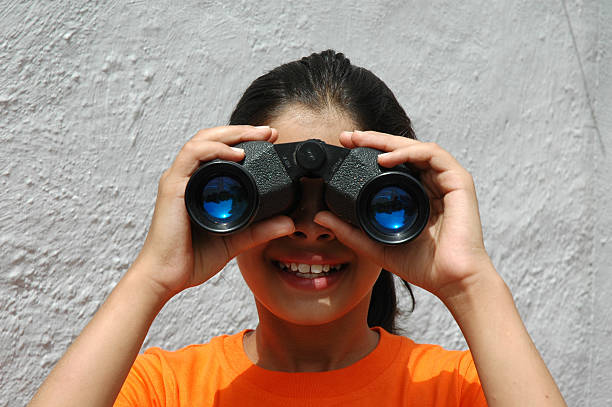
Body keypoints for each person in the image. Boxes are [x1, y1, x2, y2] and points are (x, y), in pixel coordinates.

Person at [28, 50, 567, 406]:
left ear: (410, 203)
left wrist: (470, 284)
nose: (311, 230)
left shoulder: (455, 390)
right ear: (227, 198)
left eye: (352, 202)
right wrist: (152, 276)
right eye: (275, 201)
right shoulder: (166, 390)